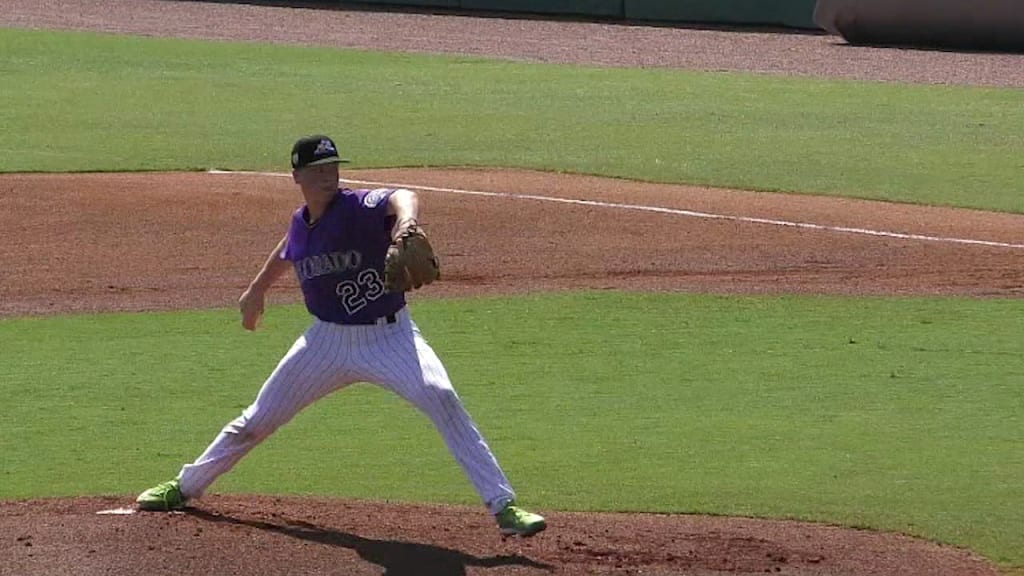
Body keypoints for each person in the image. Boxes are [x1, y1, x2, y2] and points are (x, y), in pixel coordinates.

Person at [136, 135, 547, 537]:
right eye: (317, 170)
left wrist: (406, 222)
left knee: (441, 397)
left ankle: (504, 506)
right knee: (256, 420)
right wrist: (256, 291)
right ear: (297, 176)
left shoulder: (357, 207)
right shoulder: (301, 222)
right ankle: (184, 486)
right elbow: (289, 248)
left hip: (390, 338)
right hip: (325, 343)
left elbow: (401, 194)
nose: (328, 176)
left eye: (333, 168)